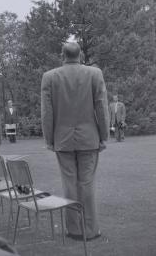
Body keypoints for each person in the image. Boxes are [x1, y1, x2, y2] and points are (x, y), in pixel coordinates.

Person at [41, 41, 109, 241]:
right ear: (80, 55)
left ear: (62, 55)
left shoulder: (50, 77)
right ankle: (90, 230)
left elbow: (47, 112)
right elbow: (101, 108)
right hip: (89, 138)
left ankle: (74, 230)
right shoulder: (94, 74)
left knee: (69, 184)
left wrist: (49, 139)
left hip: (63, 139)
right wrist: (104, 136)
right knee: (87, 184)